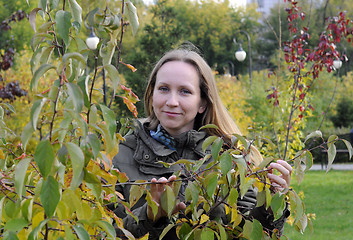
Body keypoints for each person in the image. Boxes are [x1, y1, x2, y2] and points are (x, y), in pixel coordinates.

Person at [111, 46, 292, 239]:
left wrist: (271, 204)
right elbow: (105, 231)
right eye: (163, 89)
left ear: (202, 103)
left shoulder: (229, 157)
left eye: (185, 92)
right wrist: (150, 216)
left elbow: (249, 234)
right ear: (152, 93)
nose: (172, 101)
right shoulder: (120, 152)